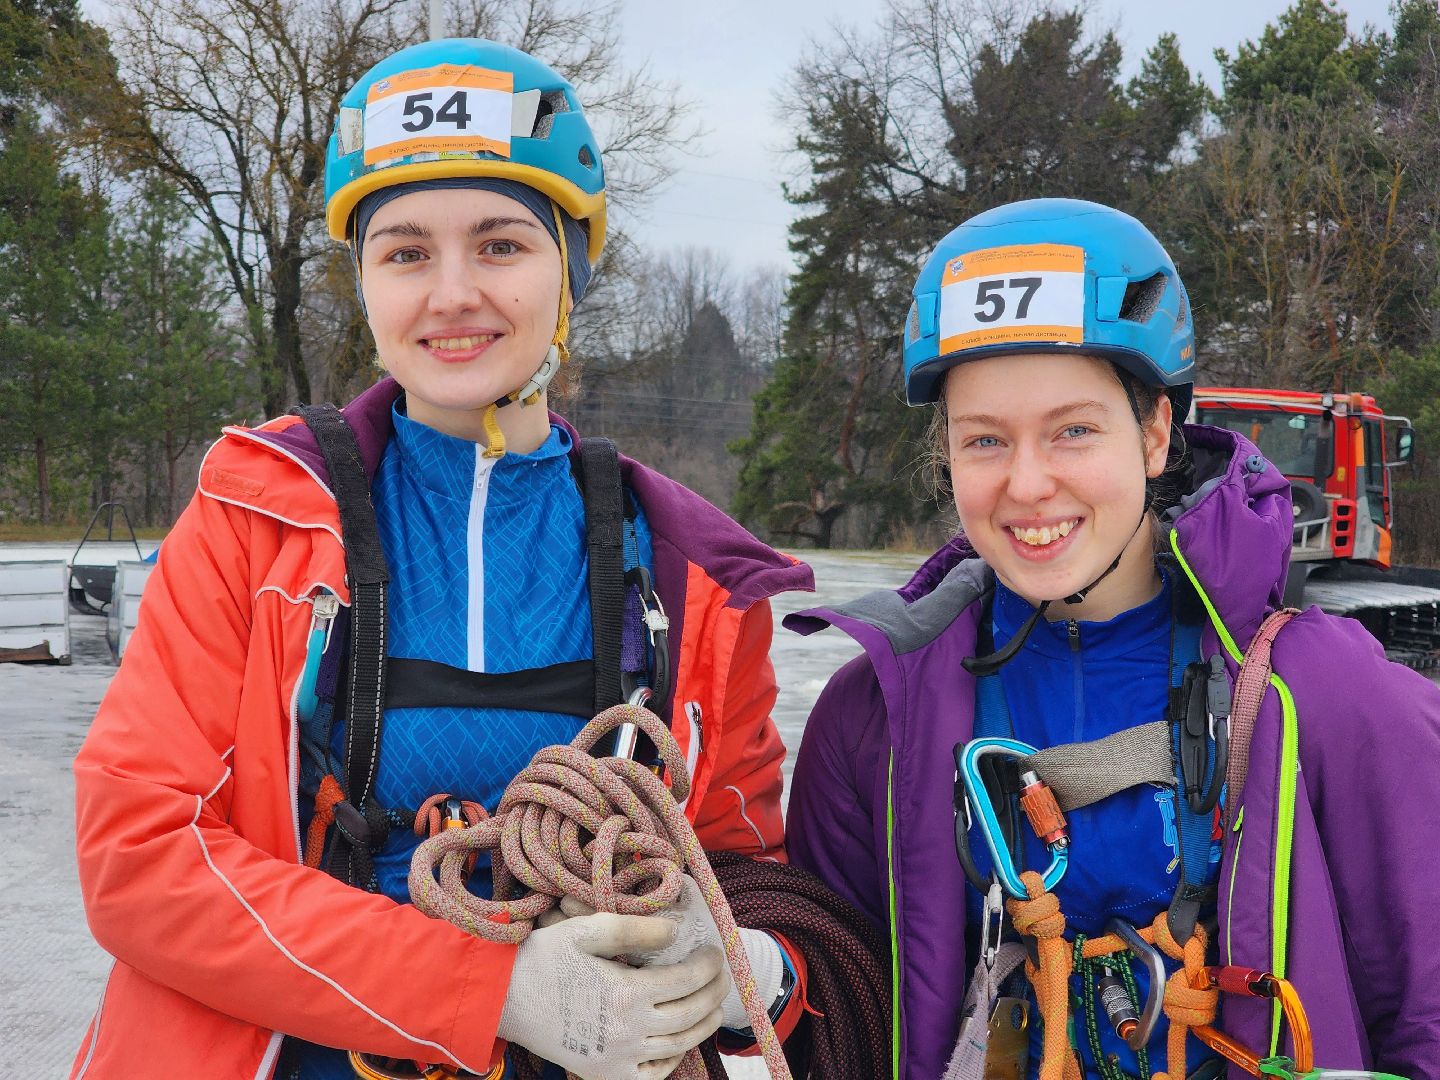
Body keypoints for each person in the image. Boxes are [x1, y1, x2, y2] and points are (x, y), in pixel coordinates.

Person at [70, 38, 812, 1080]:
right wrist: (486, 989)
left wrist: (752, 963)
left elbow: (743, 864)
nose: (453, 293)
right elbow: (141, 856)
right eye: (407, 252)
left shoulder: (686, 573)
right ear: (365, 284)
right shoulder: (254, 525)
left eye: (502, 244)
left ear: (573, 265)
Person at [784, 198, 1440, 1078]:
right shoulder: (872, 718)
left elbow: (1425, 1007)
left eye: (1074, 431)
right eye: (984, 440)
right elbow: (838, 1022)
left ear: (1158, 433)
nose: (1026, 484)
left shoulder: (1329, 696)